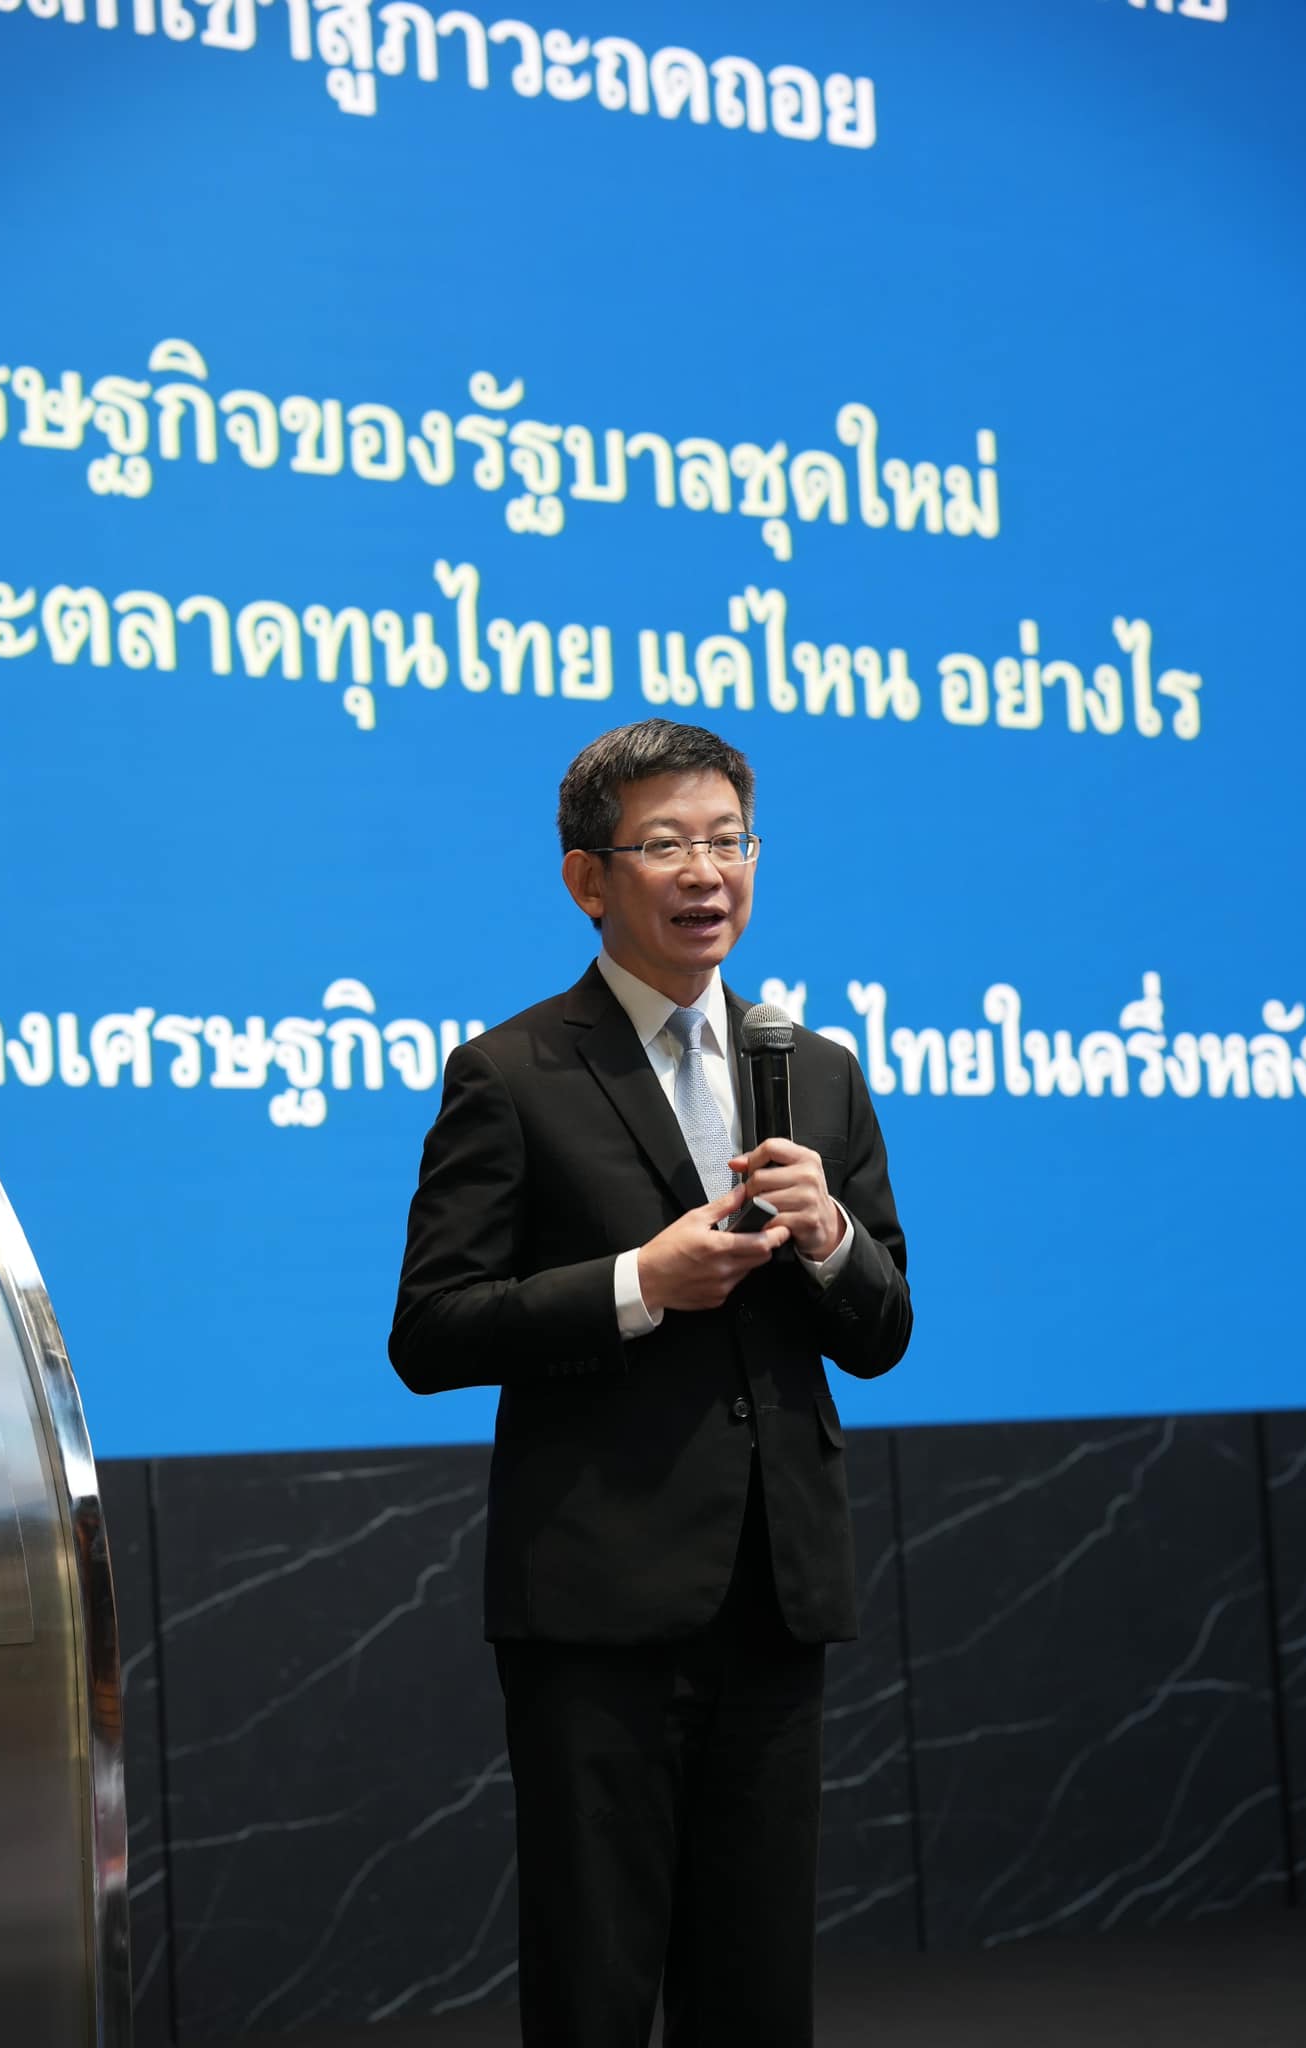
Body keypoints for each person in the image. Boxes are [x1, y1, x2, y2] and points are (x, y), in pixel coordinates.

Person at [389, 719, 911, 2048]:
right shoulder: (512, 1073)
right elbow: (431, 1330)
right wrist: (637, 1283)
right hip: (598, 1601)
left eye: (729, 842)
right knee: (597, 1981)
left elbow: (881, 1331)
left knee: (756, 1988)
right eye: (667, 844)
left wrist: (830, 1241)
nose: (705, 873)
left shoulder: (816, 1072)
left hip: (776, 1589)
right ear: (587, 878)